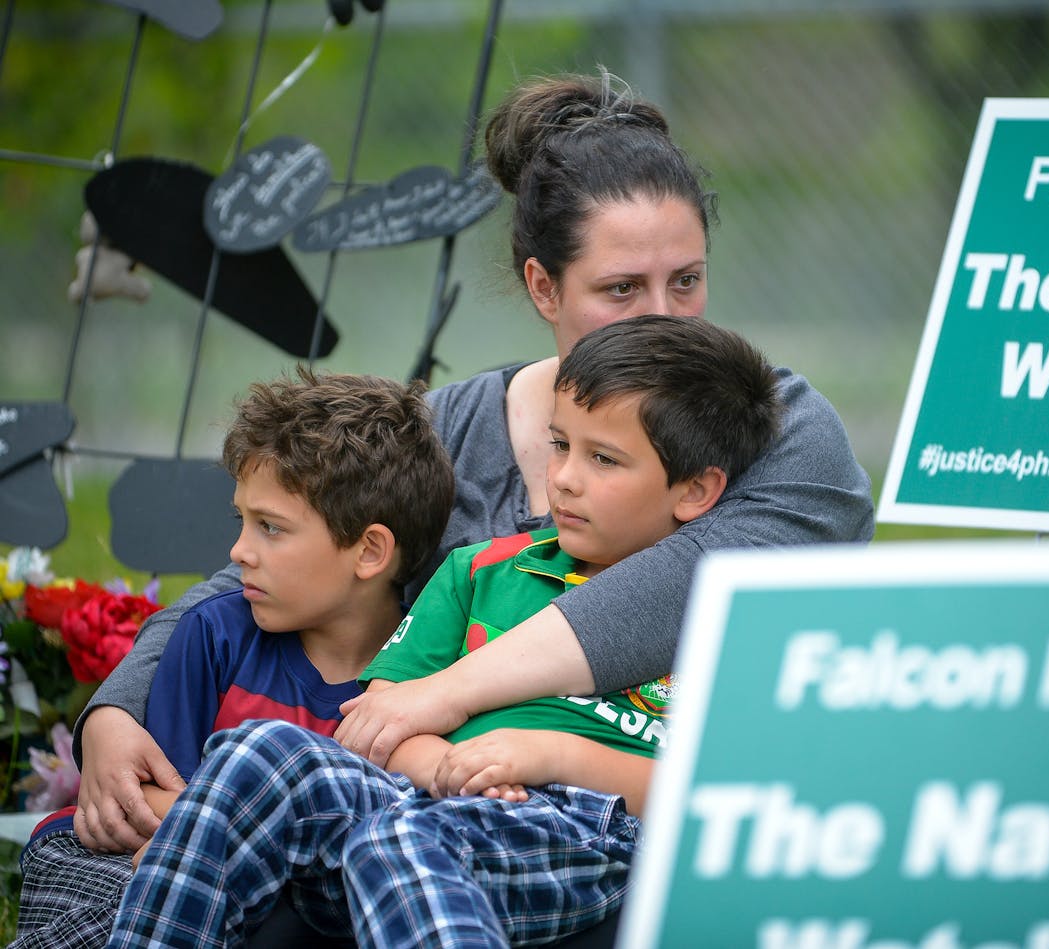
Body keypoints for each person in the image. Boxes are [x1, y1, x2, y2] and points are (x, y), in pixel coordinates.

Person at [72, 67, 875, 857]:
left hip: (694, 839)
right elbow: (269, 560)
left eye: (687, 281)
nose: (664, 319)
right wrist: (119, 710)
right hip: (457, 826)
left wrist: (441, 692)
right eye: (623, 288)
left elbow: (677, 588)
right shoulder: (452, 431)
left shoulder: (783, 431)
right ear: (544, 287)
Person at [106, 314, 783, 948]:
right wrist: (446, 771)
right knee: (260, 753)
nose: (565, 479)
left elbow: (712, 793)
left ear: (694, 491)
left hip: (589, 832)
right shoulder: (479, 570)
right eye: (559, 445)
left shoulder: (725, 612)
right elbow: (376, 726)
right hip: (435, 802)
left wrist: (547, 754)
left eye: (603, 459)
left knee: (395, 838)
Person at [11, 368, 455, 949]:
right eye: (242, 520)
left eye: (271, 528)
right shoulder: (215, 635)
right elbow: (146, 808)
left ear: (369, 551)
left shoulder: (432, 678)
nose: (238, 551)